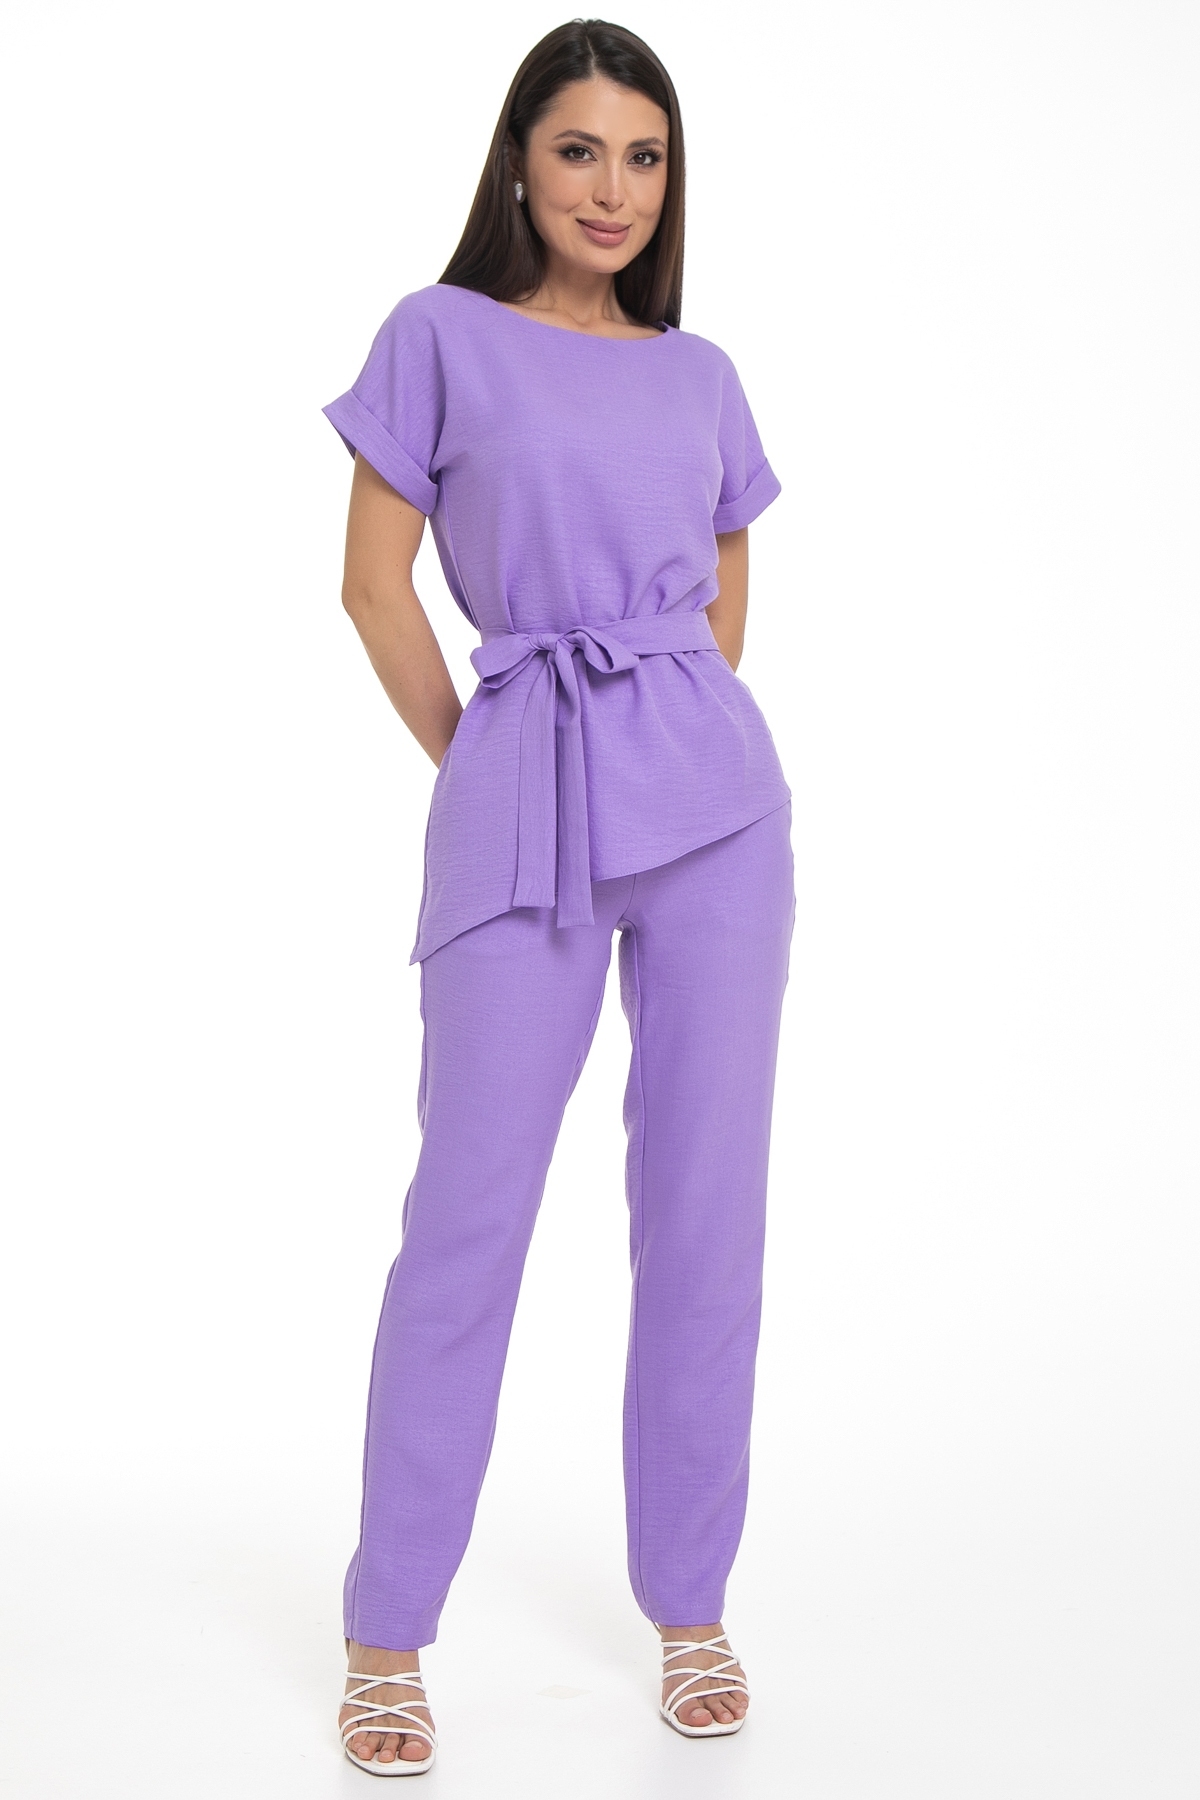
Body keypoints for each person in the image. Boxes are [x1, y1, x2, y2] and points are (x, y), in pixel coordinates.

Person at [323, 18, 795, 1774]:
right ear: (520, 160)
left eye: (645, 157)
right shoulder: (436, 335)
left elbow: (724, 594)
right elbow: (374, 589)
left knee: (705, 1214)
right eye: (581, 149)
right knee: (468, 1214)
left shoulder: (701, 371)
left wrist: (672, 734)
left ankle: (693, 1607)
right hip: (523, 795)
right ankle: (387, 1628)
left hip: (713, 814)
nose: (614, 189)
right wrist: (492, 755)